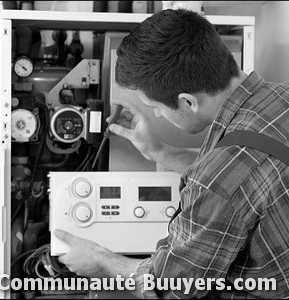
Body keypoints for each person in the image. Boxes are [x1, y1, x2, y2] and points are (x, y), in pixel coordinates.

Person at [54, 9, 289, 298]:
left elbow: (169, 286)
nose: (157, 115)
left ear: (187, 102)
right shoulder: (280, 98)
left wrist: (101, 260)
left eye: (156, 107)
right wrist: (158, 150)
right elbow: (247, 181)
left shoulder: (218, 180)